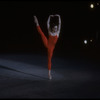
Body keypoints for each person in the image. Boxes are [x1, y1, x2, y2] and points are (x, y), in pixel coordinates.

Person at [34, 14, 61, 80]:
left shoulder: (57, 33)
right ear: (52, 28)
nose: (55, 29)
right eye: (54, 28)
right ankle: (37, 23)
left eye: (56, 28)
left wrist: (59, 17)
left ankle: (49, 74)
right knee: (42, 34)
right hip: (47, 44)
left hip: (51, 49)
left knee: (49, 60)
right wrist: (49, 16)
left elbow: (60, 24)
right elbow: (47, 23)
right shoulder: (50, 32)